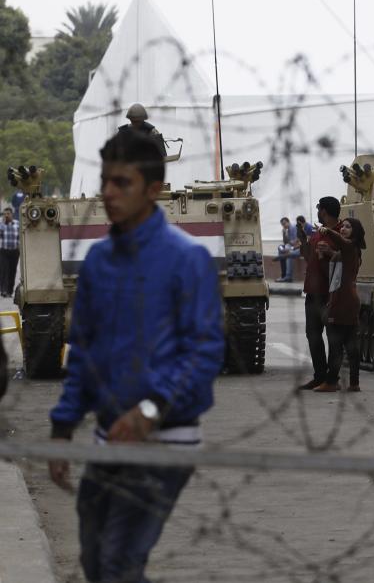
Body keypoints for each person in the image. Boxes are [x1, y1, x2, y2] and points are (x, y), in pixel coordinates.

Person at [48, 130, 223, 583]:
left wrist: (150, 409)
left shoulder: (188, 260)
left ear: (154, 189)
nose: (108, 192)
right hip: (111, 438)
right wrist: (63, 424)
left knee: (117, 562)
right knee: (95, 560)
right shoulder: (99, 263)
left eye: (121, 183)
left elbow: (203, 353)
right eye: (105, 181)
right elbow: (83, 350)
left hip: (165, 439)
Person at [313, 217, 366, 393]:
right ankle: (354, 382)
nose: (343, 229)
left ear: (355, 232)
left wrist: (327, 231)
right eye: (342, 226)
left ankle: (331, 381)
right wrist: (326, 251)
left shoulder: (350, 247)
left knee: (335, 344)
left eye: (348, 227)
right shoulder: (350, 251)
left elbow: (340, 242)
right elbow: (337, 256)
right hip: (348, 299)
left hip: (342, 300)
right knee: (351, 344)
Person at [298, 196, 341, 390]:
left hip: (331, 294)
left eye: (318, 209)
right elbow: (309, 258)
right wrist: (303, 241)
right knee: (313, 335)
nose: (317, 212)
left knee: (334, 338)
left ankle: (332, 379)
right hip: (313, 293)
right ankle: (320, 375)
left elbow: (349, 258)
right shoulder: (318, 233)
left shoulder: (340, 232)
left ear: (323, 210)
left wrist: (331, 252)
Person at [0, 207, 19, 297]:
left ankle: (9, 291)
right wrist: (3, 223)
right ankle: (3, 290)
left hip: (14, 252)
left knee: (12, 271)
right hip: (3, 251)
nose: (6, 215)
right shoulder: (1, 224)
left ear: (12, 214)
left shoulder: (17, 224)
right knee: (4, 270)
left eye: (8, 214)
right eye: (5, 214)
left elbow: (20, 237)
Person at [274, 216, 300, 282]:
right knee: (280, 248)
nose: (284, 225)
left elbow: (295, 242)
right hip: (289, 246)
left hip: (296, 247)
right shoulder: (286, 230)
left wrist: (289, 245)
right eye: (282, 224)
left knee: (287, 252)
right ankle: (283, 275)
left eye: (285, 223)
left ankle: (288, 276)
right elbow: (285, 242)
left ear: (288, 222)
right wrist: (284, 234)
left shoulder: (294, 228)